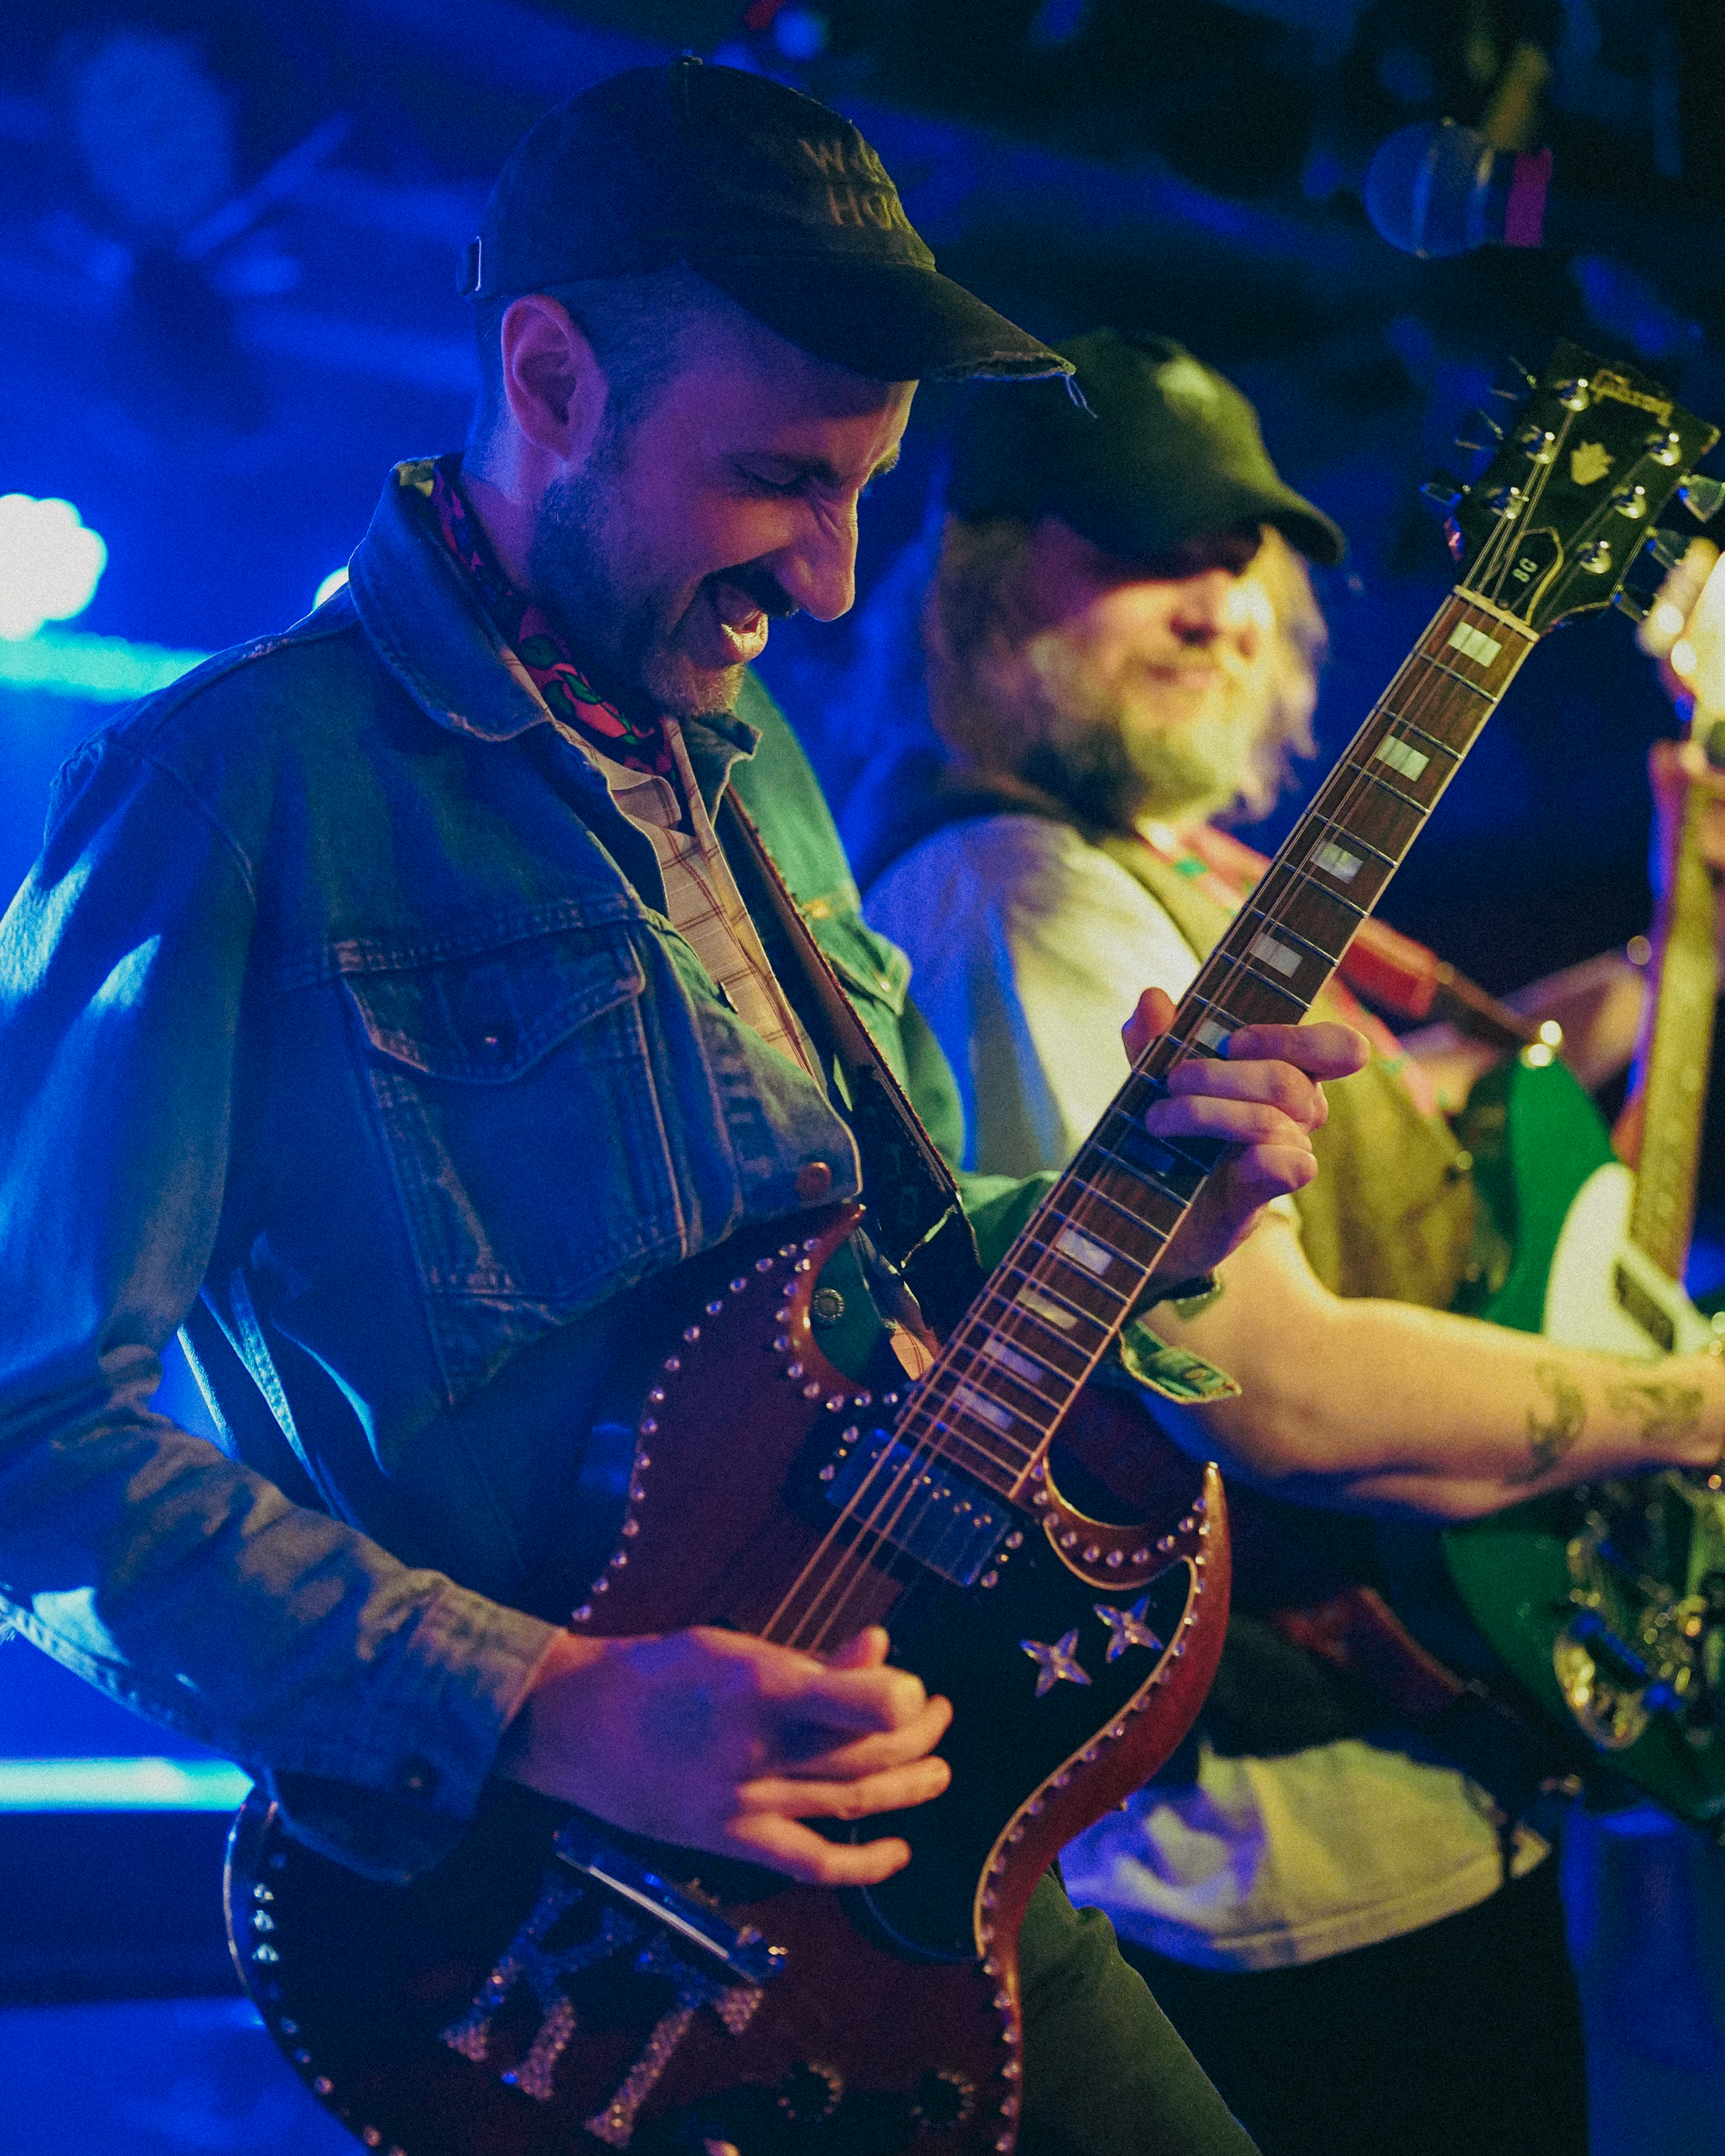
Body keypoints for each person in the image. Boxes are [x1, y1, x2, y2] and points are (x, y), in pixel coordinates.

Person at [0, 67, 1369, 2156]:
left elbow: (883, 1288)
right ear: (547, 375)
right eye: (773, 480)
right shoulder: (229, 790)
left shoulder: (752, 762)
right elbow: (28, 1443)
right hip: (533, 1927)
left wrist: (1127, 1221)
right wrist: (541, 1700)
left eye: (867, 493)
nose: (828, 582)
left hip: (899, 1861)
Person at [855, 327, 1725, 2156]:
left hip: (1393, 1806)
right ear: (985, 581)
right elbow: (1267, 1375)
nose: (1221, 599)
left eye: (1245, 554)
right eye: (1147, 546)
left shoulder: (1164, 865)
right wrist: (1677, 1399)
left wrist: (1654, 970)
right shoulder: (1015, 886)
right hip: (1255, 1868)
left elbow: (1363, 1115)